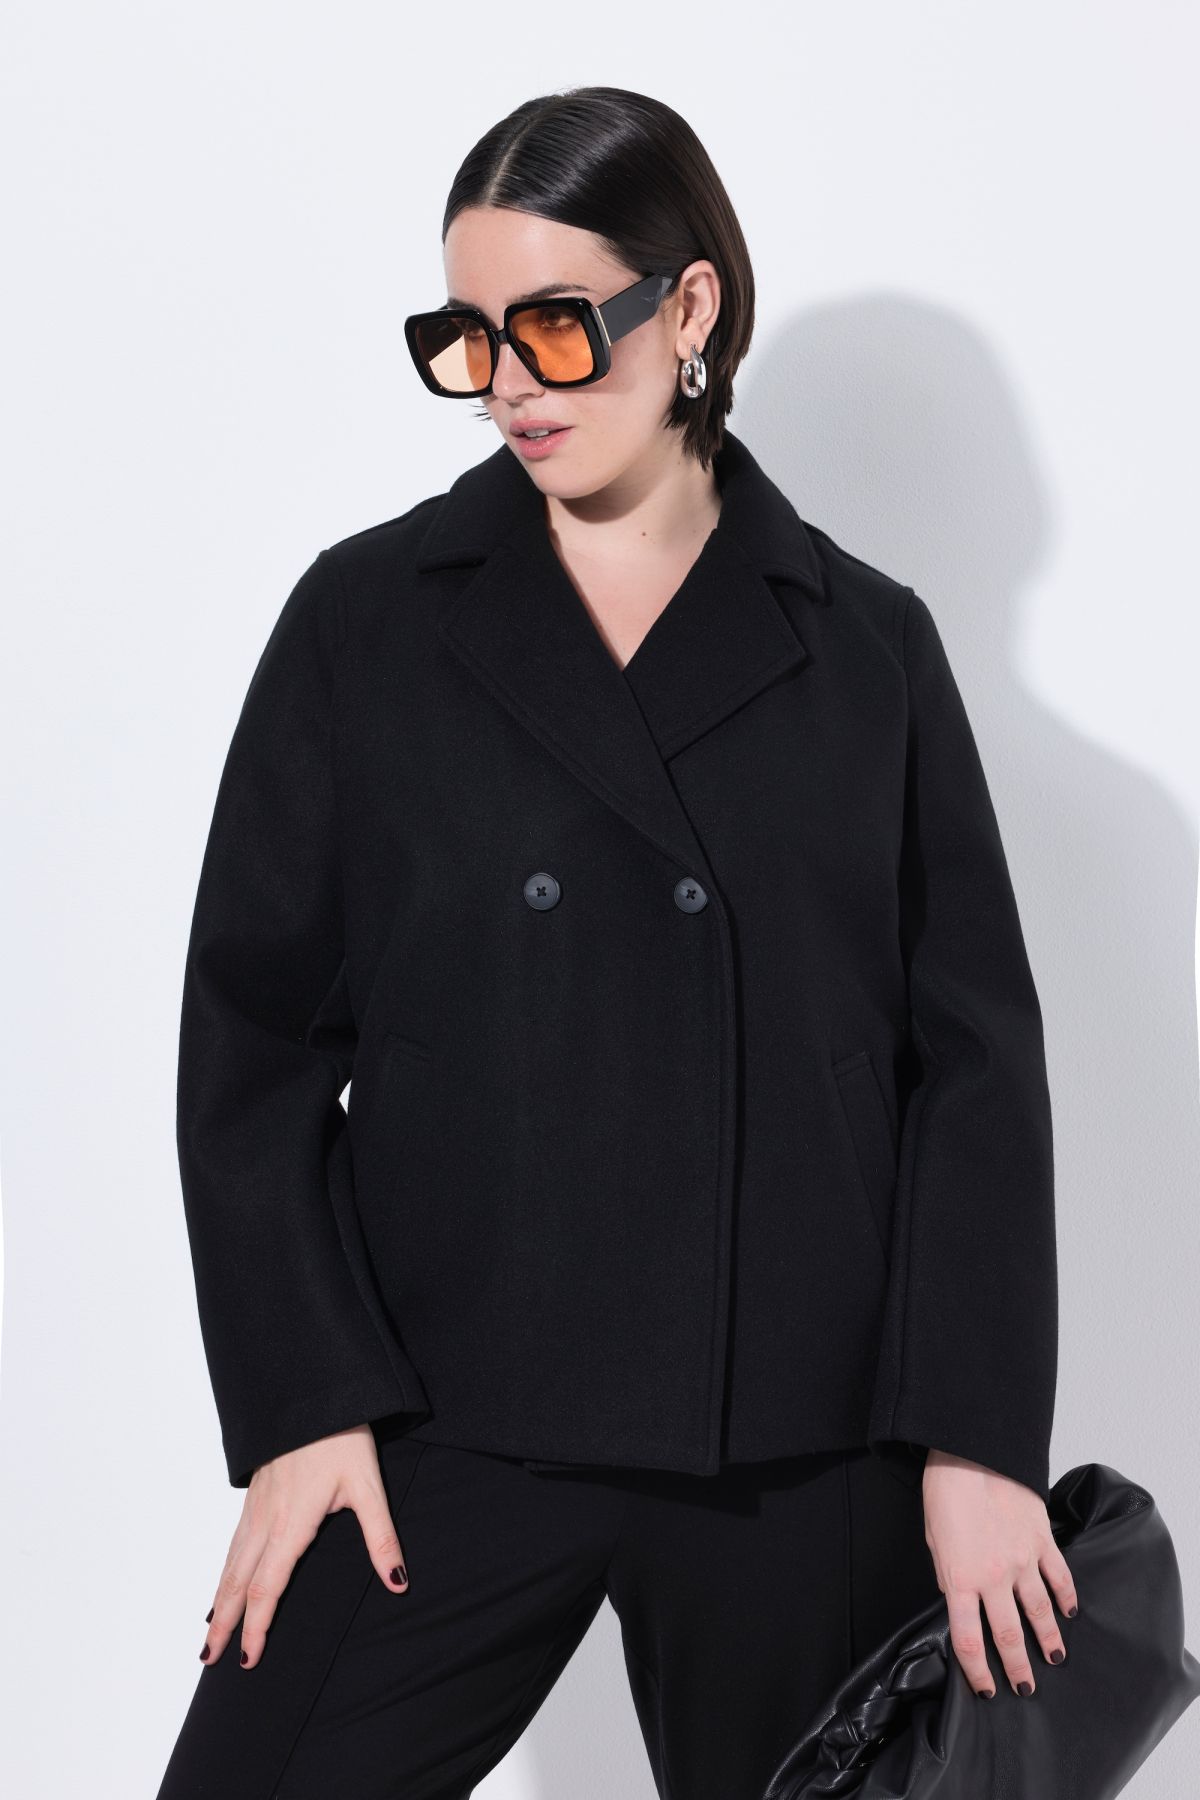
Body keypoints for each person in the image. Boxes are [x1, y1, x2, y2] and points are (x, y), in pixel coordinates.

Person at [156, 84, 1077, 1800]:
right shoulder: (368, 620)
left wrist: (972, 1441)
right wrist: (304, 1401)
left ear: (691, 307)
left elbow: (971, 1071)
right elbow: (254, 1039)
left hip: (794, 1436)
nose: (510, 381)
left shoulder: (866, 648)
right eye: (468, 336)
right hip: (443, 1411)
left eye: (559, 325)